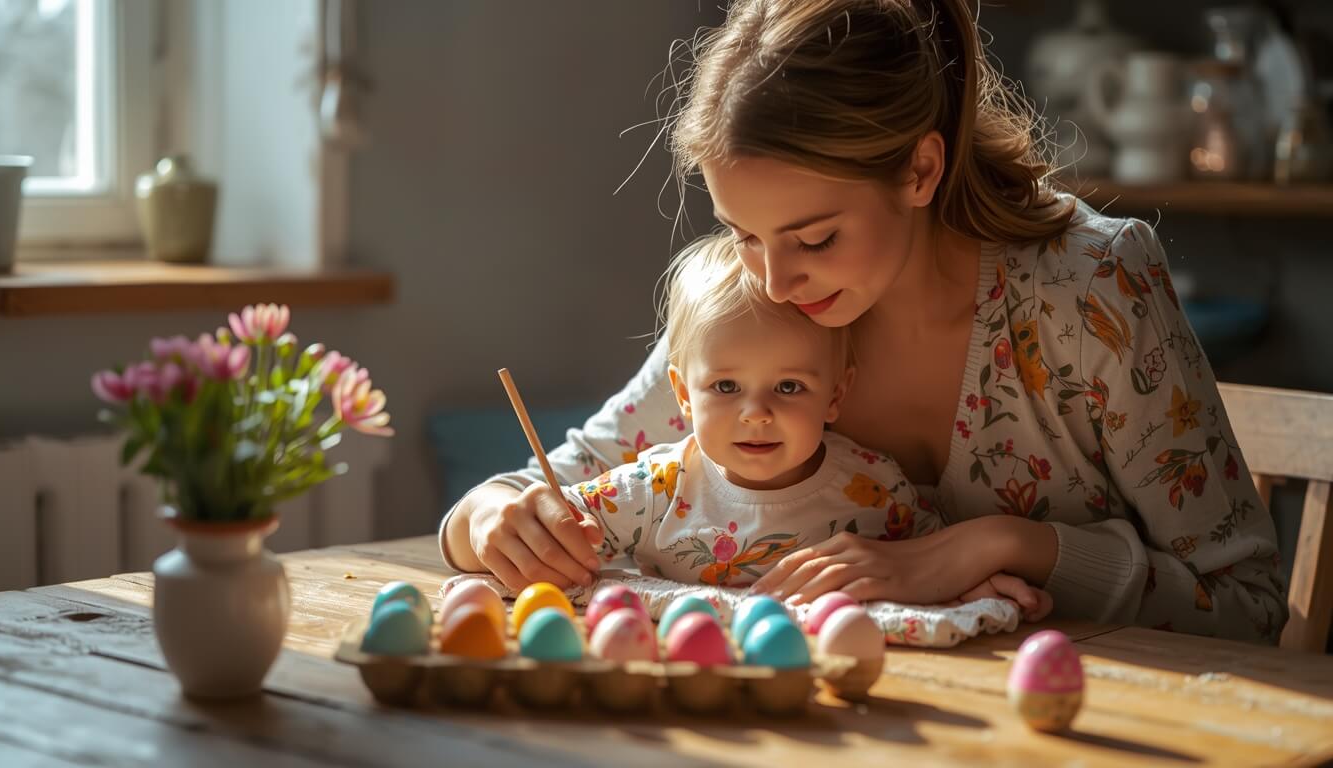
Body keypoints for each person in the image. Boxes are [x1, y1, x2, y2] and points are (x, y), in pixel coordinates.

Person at [440, 0, 1286, 643]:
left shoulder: (1090, 288)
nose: (771, 277)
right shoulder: (764, 294)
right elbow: (558, 480)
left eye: (815, 237)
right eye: (742, 234)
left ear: (920, 168)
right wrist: (484, 519)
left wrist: (996, 545)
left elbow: (1249, 609)